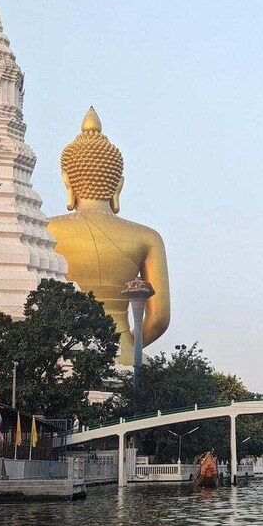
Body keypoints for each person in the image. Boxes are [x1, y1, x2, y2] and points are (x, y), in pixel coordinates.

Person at [48, 107, 171, 365]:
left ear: (67, 181)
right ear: (118, 185)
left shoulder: (44, 231)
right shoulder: (147, 238)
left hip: (61, 356)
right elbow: (159, 319)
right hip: (126, 354)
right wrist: (127, 346)